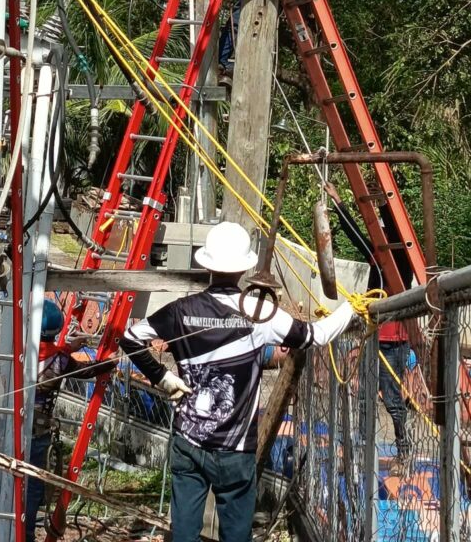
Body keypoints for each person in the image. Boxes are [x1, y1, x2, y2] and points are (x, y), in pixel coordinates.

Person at [120, 222, 355, 542]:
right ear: (244, 268)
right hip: (235, 451)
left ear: (207, 265)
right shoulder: (260, 313)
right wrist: (352, 308)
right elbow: (316, 335)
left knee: (184, 534)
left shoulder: (180, 311)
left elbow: (130, 338)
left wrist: (162, 377)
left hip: (189, 442)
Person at [26, 300, 117, 542]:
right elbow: (84, 370)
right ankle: (26, 535)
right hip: (38, 430)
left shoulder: (20, 349)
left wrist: (67, 347)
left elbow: (46, 353)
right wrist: (110, 362)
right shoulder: (60, 360)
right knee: (34, 485)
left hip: (14, 426)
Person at [378, 320, 411, 462]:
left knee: (392, 400)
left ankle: (403, 449)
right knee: (363, 396)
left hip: (393, 341)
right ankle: (361, 444)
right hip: (370, 335)